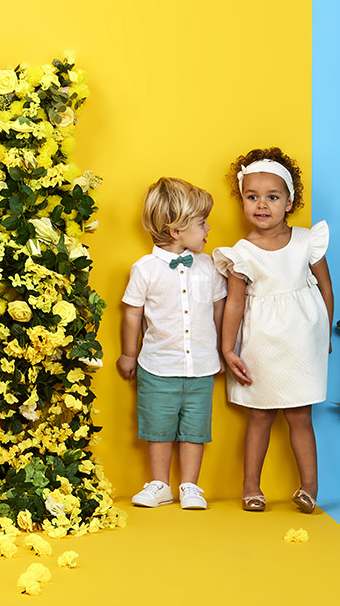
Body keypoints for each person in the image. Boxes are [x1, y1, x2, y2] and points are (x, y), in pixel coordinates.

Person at [213, 148, 333, 513]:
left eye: (272, 197)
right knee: (260, 415)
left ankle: (309, 487)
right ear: (242, 201)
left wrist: (325, 334)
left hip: (302, 341)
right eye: (252, 197)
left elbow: (325, 287)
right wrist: (228, 349)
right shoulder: (242, 253)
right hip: (261, 343)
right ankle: (251, 487)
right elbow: (234, 303)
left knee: (300, 415)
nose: (261, 205)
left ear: (289, 202)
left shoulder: (306, 242)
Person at [117, 177, 226, 510]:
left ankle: (190, 485)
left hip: (201, 366)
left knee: (195, 429)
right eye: (202, 222)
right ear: (177, 230)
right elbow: (132, 314)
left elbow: (220, 310)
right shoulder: (145, 269)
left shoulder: (209, 266)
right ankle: (160, 483)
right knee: (158, 426)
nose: (209, 228)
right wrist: (128, 354)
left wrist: (223, 350)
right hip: (157, 365)